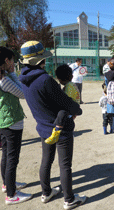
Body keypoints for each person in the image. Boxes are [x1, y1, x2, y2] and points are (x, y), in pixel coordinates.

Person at [19, 41, 86, 209]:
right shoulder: (45, 80)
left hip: (43, 127)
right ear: (39, 60)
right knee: (65, 165)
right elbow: (69, 105)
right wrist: (77, 109)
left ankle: (46, 192)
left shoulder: (23, 80)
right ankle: (69, 200)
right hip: (60, 129)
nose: (45, 62)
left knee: (46, 161)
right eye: (43, 59)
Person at [0, 47, 32, 205]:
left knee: (6, 155)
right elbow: (23, 93)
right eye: (12, 60)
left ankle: (7, 184)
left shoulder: (2, 77)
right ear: (6, 61)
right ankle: (11, 195)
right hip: (12, 122)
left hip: (3, 122)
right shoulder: (4, 80)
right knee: (12, 158)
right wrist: (13, 73)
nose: (13, 62)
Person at [44, 64, 81, 144]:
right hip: (73, 109)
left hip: (69, 109)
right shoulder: (72, 84)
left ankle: (57, 131)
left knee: (62, 113)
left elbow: (66, 101)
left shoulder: (69, 86)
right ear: (71, 76)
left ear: (58, 78)